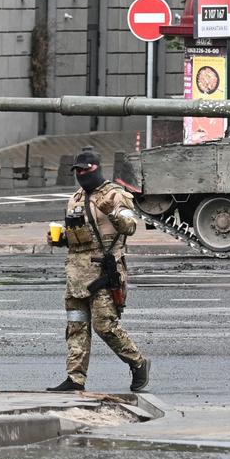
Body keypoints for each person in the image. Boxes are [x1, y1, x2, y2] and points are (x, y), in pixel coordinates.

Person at [47, 150, 151, 392]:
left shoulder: (115, 195)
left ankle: (138, 362)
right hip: (76, 276)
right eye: (78, 170)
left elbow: (131, 226)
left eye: (85, 169)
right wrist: (60, 238)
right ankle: (75, 379)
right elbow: (76, 236)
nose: (81, 174)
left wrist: (112, 212)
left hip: (104, 272)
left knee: (105, 326)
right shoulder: (75, 198)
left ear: (97, 168)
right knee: (76, 327)